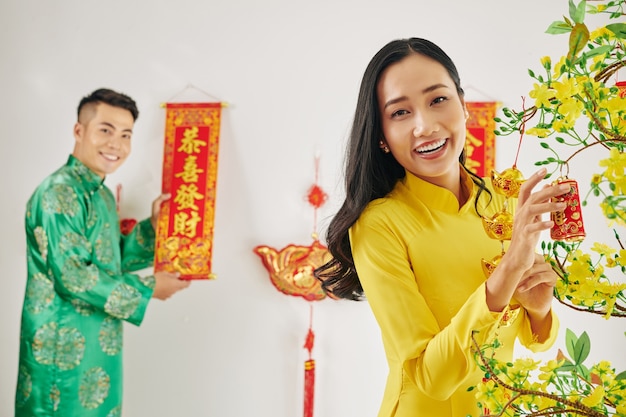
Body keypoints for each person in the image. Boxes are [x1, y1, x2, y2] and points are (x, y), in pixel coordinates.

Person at [314, 38, 567, 416]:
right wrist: (508, 272)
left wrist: (540, 309)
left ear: (463, 107)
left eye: (437, 100)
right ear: (381, 136)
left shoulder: (502, 200)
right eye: (400, 112)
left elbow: (537, 343)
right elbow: (430, 377)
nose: (425, 126)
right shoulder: (379, 224)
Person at [15, 88, 191, 417]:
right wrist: (149, 289)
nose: (116, 144)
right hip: (62, 347)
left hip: (98, 341)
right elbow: (73, 275)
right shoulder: (60, 191)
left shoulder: (101, 194)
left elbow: (110, 261)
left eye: (126, 135)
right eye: (105, 130)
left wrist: (153, 227)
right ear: (79, 131)